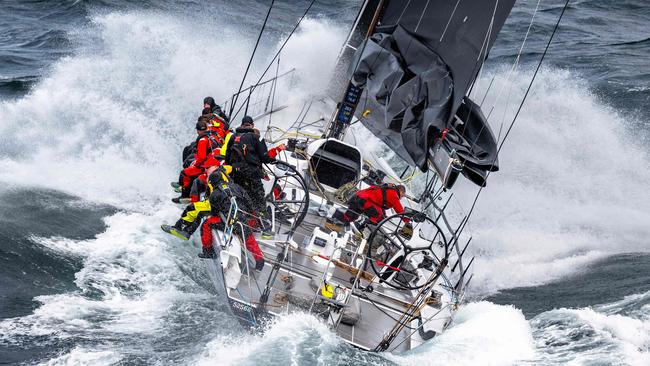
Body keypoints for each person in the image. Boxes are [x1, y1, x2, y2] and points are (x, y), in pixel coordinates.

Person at [162, 166, 265, 269]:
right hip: (246, 220)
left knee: (207, 224)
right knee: (249, 238)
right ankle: (260, 260)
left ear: (212, 182)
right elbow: (249, 203)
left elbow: (213, 211)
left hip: (231, 222)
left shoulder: (215, 193)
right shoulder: (237, 187)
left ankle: (208, 251)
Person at [338, 184, 410, 226]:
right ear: (400, 191)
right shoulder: (394, 195)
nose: (401, 198)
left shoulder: (387, 187)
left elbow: (379, 201)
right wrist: (408, 222)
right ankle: (362, 226)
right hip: (363, 201)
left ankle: (339, 224)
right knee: (379, 217)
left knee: (350, 217)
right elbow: (400, 211)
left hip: (357, 197)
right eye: (402, 195)